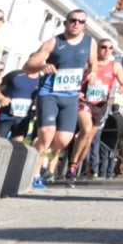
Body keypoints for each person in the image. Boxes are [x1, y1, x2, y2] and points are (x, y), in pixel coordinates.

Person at [23, 11, 96, 188]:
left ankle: (38, 148)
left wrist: (93, 73)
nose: (76, 24)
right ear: (66, 23)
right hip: (49, 93)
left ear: (85, 25)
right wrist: (42, 65)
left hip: (71, 97)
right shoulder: (53, 42)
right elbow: (28, 66)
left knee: (63, 141)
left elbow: (93, 63)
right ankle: (35, 175)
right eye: (73, 20)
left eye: (81, 21)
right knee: (47, 133)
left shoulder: (90, 42)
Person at [68, 38, 123, 180]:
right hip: (85, 101)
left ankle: (75, 167)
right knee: (86, 129)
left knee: (89, 140)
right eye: (103, 47)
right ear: (98, 48)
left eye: (110, 48)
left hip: (101, 106)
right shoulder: (88, 63)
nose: (107, 50)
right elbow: (74, 76)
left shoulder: (115, 66)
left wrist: (122, 87)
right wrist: (77, 90)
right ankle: (72, 164)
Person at [0, 61, 44, 143]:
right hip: (6, 116)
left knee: (17, 146)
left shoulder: (42, 80)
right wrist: (0, 97)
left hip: (23, 119)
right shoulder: (15, 74)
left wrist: (36, 109)